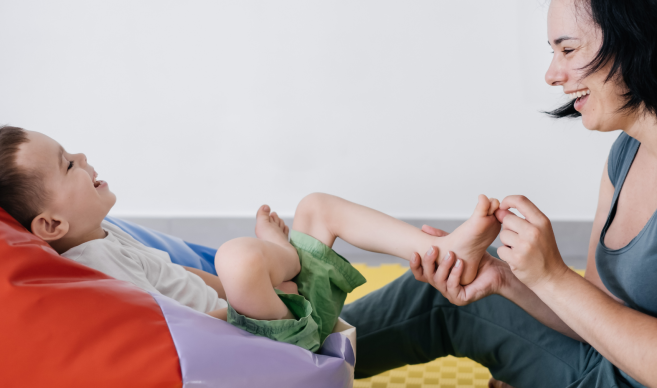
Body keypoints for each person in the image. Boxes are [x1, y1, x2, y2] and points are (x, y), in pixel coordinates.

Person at [341, 0, 657, 388]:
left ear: (636, 37)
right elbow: (596, 312)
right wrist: (508, 279)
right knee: (456, 284)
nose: (552, 74)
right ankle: (277, 358)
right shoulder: (626, 152)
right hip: (601, 364)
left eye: (567, 50)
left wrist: (552, 277)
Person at [0, 126, 501, 352]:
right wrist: (247, 298)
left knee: (316, 206)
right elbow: (170, 329)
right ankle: (277, 259)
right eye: (68, 163)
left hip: (275, 314)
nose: (83, 157)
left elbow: (185, 279)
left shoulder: (111, 236)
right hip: (256, 342)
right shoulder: (93, 270)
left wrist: (252, 292)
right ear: (49, 226)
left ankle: (443, 249)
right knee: (241, 255)